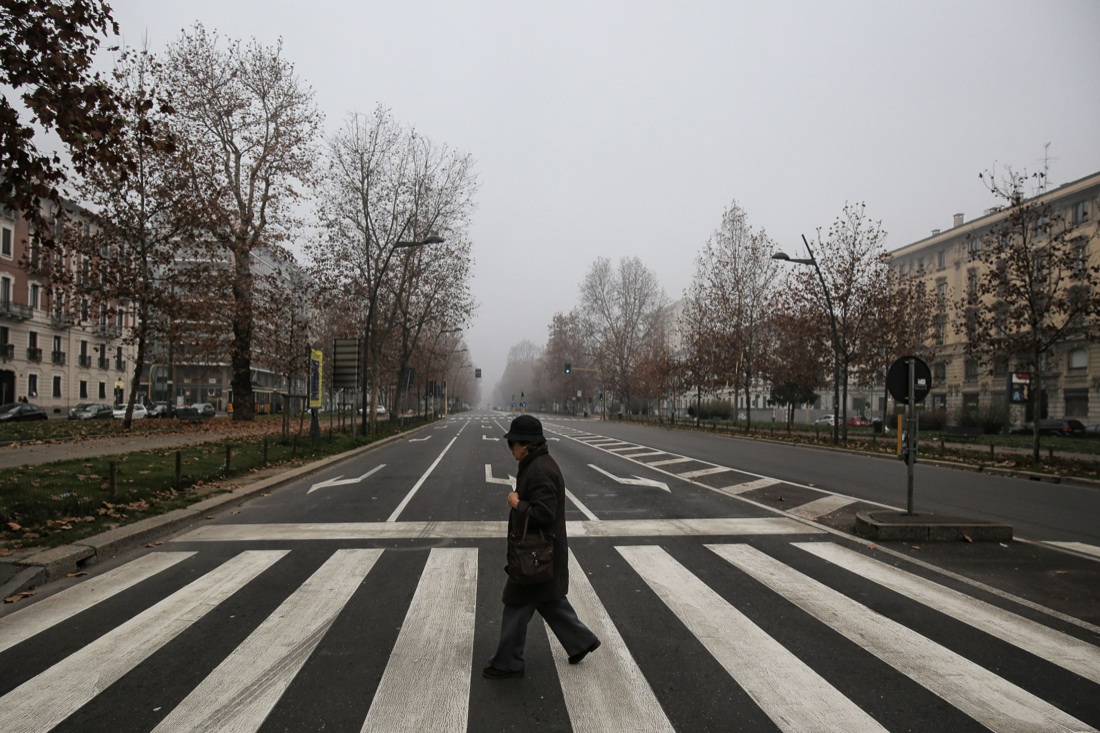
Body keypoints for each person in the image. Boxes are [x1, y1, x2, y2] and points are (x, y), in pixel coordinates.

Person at [484, 414, 600, 679]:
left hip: (536, 554)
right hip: (541, 553)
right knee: (548, 600)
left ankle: (508, 662)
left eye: (512, 443)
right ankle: (580, 642)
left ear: (525, 445)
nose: (510, 448)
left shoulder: (540, 470)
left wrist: (518, 504)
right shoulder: (535, 464)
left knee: (516, 602)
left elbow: (545, 513)